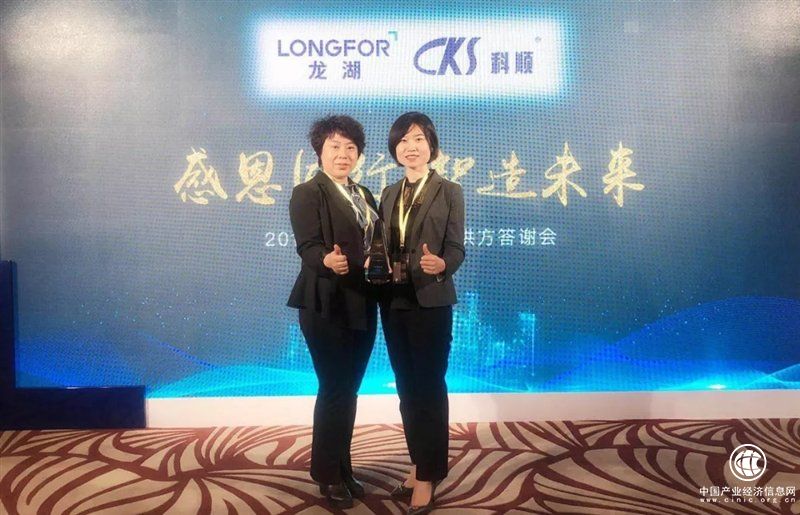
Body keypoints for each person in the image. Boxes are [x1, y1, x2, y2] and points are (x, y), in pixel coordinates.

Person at [287, 115, 379, 509]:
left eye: (350, 147)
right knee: (334, 388)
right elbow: (307, 246)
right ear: (320, 151)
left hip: (363, 302)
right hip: (325, 303)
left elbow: (375, 243)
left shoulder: (364, 194)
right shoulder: (308, 192)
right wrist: (327, 260)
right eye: (335, 146)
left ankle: (343, 467)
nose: (343, 154)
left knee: (349, 390)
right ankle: (327, 474)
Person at [379, 112, 465, 515]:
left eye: (417, 139)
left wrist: (442, 265)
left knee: (429, 389)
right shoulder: (388, 194)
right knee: (406, 390)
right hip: (393, 301)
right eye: (403, 140)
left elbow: (456, 248)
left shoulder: (450, 191)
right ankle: (419, 465)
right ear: (395, 149)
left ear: (432, 145)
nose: (410, 147)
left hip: (431, 300)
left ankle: (429, 475)